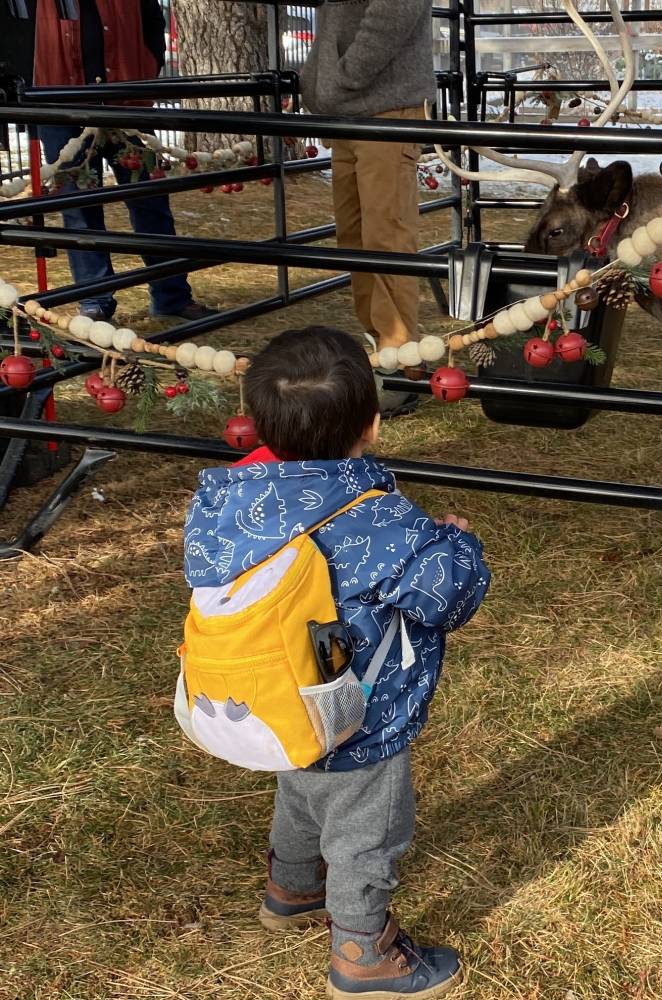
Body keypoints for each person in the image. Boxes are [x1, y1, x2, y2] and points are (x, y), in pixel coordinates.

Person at [183, 326, 490, 999]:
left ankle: (291, 888)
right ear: (373, 426)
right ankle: (363, 952)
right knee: (366, 831)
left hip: (273, 696)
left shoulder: (228, 503)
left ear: (258, 421)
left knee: (301, 785)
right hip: (359, 711)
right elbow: (448, 597)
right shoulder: (381, 520)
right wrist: (456, 543)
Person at [33, 0, 216, 323]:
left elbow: (151, 21)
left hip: (127, 102)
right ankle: (95, 300)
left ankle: (171, 296)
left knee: (150, 203)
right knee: (79, 209)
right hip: (60, 104)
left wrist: (146, 66)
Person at [299, 0, 437, 418]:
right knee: (356, 240)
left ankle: (400, 366)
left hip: (383, 104)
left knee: (386, 238)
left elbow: (395, 10)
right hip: (352, 107)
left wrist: (340, 77)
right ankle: (382, 355)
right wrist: (324, 81)